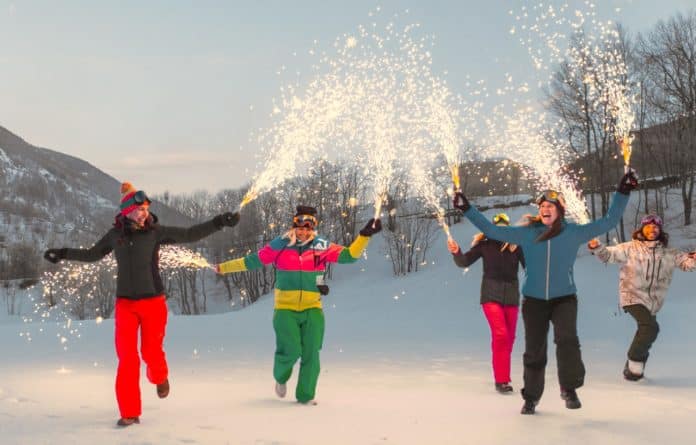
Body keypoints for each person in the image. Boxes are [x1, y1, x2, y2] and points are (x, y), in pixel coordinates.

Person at [43, 182, 240, 427]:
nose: (143, 213)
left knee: (151, 352)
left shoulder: (156, 232)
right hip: (125, 304)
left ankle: (160, 376)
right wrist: (62, 253)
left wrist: (220, 221)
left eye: (145, 208)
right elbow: (92, 255)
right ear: (126, 211)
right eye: (138, 209)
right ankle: (130, 413)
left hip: (153, 303)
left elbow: (190, 234)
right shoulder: (115, 236)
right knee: (127, 359)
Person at [453, 170, 637, 415]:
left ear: (560, 209)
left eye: (550, 205)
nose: (545, 208)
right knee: (534, 350)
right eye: (542, 206)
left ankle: (569, 389)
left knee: (567, 340)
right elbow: (492, 230)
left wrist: (623, 192)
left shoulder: (574, 233)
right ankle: (531, 398)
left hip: (564, 298)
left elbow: (608, 221)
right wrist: (467, 208)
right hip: (534, 301)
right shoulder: (527, 233)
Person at [215, 205, 381, 405]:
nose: (303, 231)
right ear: (294, 226)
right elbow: (253, 261)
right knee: (291, 350)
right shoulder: (281, 245)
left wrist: (364, 236)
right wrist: (223, 268)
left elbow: (349, 256)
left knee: (312, 352)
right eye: (299, 227)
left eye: (307, 227)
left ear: (313, 228)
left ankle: (305, 397)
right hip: (285, 310)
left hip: (313, 309)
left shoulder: (321, 246)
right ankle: (281, 377)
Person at [588, 214, 696, 380]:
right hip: (631, 295)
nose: (652, 229)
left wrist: (693, 259)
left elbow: (686, 264)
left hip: (653, 302)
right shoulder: (629, 248)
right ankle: (634, 364)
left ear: (660, 230)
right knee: (650, 328)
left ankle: (634, 369)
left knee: (648, 329)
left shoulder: (669, 253)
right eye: (648, 226)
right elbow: (608, 255)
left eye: (655, 227)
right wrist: (597, 247)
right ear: (642, 229)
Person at [447, 212, 525, 394]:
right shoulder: (485, 245)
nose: (501, 231)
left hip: (512, 297)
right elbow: (464, 262)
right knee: (500, 335)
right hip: (491, 296)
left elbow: (531, 267)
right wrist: (456, 251)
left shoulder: (517, 247)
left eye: (505, 228)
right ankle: (501, 381)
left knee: (509, 339)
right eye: (498, 228)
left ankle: (501, 369)